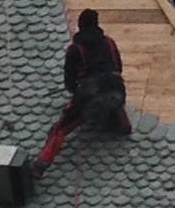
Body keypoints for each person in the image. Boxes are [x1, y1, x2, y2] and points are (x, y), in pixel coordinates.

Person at [34, 9, 131, 174]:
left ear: (80, 26)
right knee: (113, 101)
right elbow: (118, 68)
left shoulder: (75, 49)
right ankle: (124, 125)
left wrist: (77, 92)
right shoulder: (109, 42)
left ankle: (41, 164)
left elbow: (70, 81)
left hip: (90, 94)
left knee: (61, 129)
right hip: (116, 89)